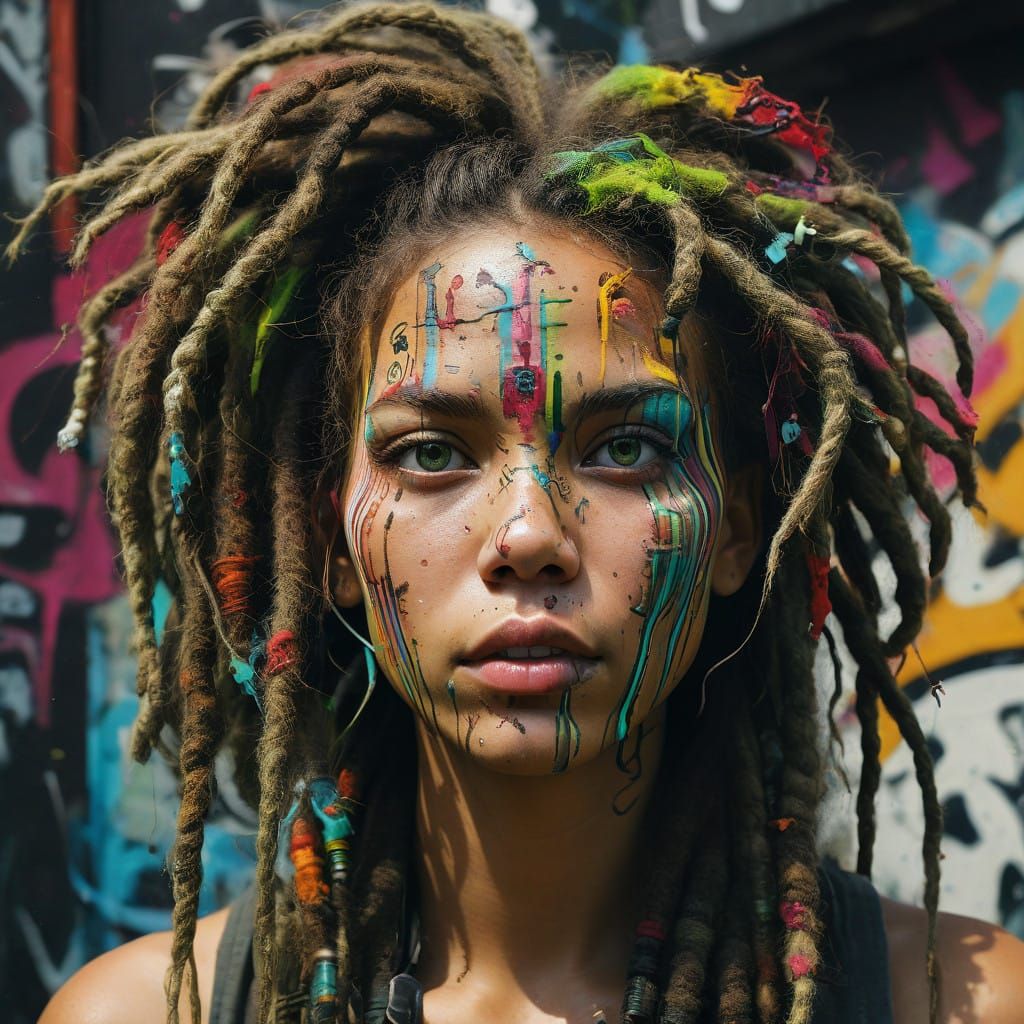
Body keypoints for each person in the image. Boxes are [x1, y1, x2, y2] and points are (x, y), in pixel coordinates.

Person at [12, 3, 1024, 1022]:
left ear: (736, 528)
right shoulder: (141, 1014)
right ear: (331, 540)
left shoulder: (954, 1004)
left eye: (626, 449)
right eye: (432, 454)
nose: (530, 537)